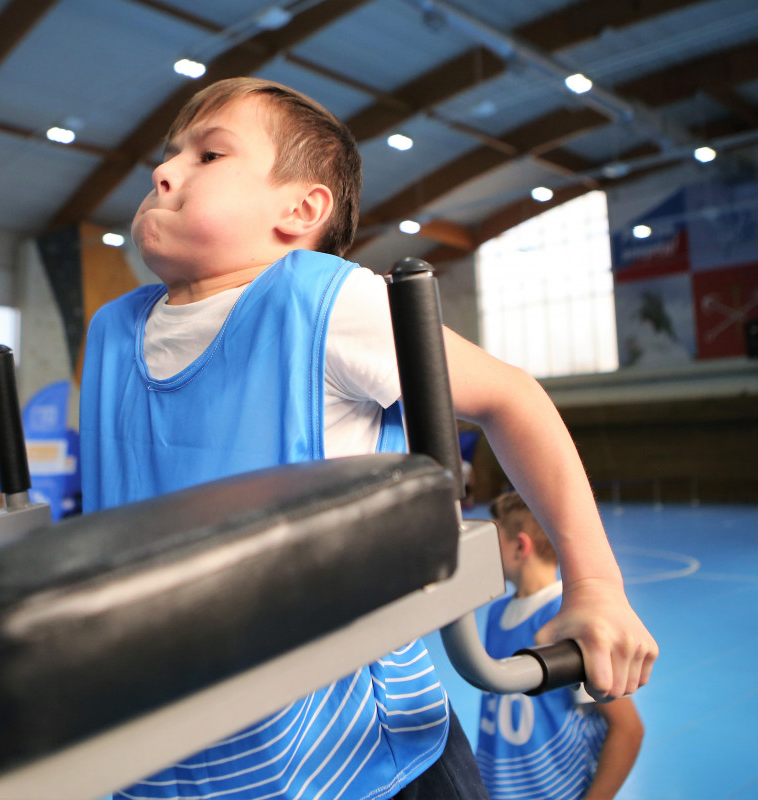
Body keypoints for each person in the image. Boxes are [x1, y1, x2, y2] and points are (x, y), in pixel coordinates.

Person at [80, 77, 657, 799]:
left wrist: (595, 585)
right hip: (176, 755)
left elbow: (512, 398)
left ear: (301, 209)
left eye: (209, 155)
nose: (165, 172)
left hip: (362, 755)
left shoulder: (323, 300)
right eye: (169, 155)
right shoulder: (113, 332)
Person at [477, 492, 644, 800]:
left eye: (494, 540)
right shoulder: (496, 612)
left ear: (520, 546)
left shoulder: (568, 620)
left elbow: (627, 728)